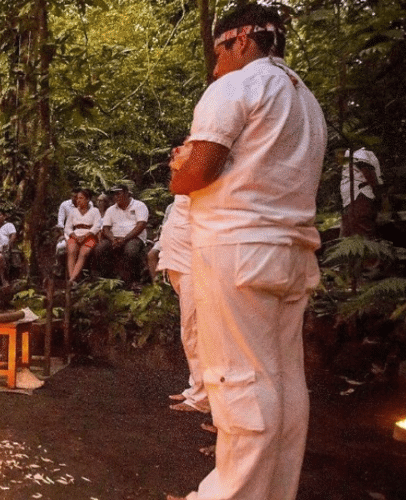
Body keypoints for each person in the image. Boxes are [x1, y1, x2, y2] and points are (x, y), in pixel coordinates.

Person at [166, 5, 326, 500]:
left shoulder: (236, 87)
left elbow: (196, 172)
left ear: (240, 40)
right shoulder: (306, 100)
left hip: (237, 251)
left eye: (219, 53)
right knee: (283, 381)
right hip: (290, 252)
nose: (215, 67)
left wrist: (178, 167)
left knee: (239, 383)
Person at [156, 197, 208, 414]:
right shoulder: (180, 194)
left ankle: (203, 397)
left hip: (193, 267)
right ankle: (195, 387)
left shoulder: (201, 185)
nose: (172, 164)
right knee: (189, 331)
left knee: (194, 331)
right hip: (177, 264)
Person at [96, 185, 149, 284]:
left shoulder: (139, 205)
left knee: (131, 250)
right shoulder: (111, 210)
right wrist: (113, 239)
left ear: (126, 194)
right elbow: (106, 228)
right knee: (100, 248)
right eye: (114, 195)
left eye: (118, 194)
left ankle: (133, 281)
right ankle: (108, 280)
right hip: (115, 238)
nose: (116, 197)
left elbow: (141, 225)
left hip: (134, 237)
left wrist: (124, 239)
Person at [340, 148, 382, 238]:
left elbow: (370, 175)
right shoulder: (349, 154)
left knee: (362, 234)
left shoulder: (360, 153)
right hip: (351, 199)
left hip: (360, 196)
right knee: (351, 233)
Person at [64, 188, 103, 283]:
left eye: (81, 198)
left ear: (87, 199)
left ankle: (72, 279)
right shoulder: (73, 211)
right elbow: (67, 227)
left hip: (89, 236)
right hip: (75, 235)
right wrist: (74, 236)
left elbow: (97, 226)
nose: (78, 200)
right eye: (77, 198)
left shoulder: (95, 211)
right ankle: (72, 279)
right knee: (71, 250)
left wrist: (86, 236)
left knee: (83, 253)